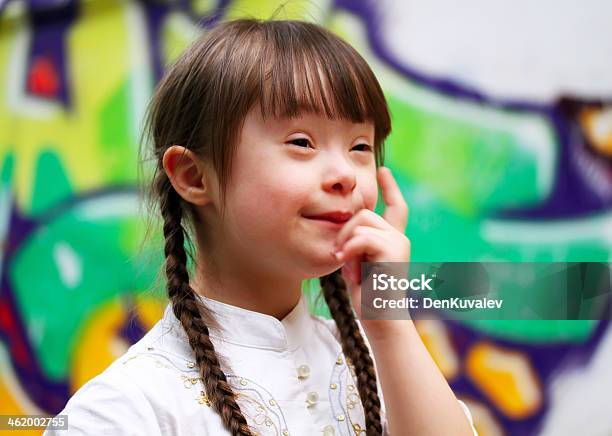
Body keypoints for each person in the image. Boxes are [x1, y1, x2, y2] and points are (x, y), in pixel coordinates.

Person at [44, 18, 478, 435]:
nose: (345, 173)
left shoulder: (386, 365)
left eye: (360, 146)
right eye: (301, 142)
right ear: (195, 176)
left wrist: (387, 318)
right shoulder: (123, 410)